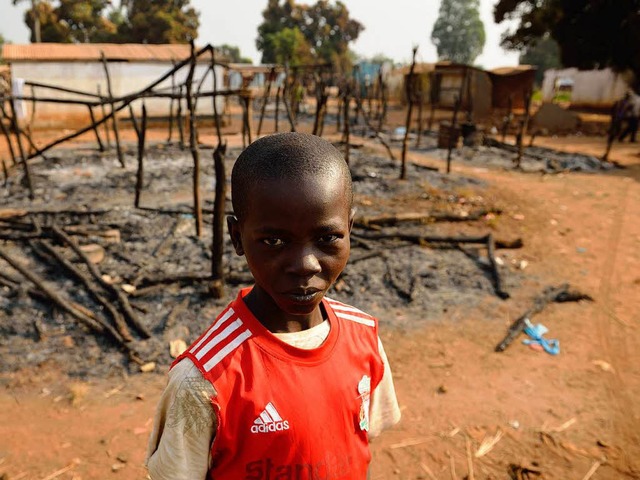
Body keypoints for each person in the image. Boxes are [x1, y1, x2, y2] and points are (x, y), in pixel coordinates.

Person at [146, 132, 401, 479]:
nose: (305, 264)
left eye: (327, 238)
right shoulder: (204, 380)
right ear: (237, 237)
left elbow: (360, 446)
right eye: (274, 241)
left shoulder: (365, 337)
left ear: (350, 229)